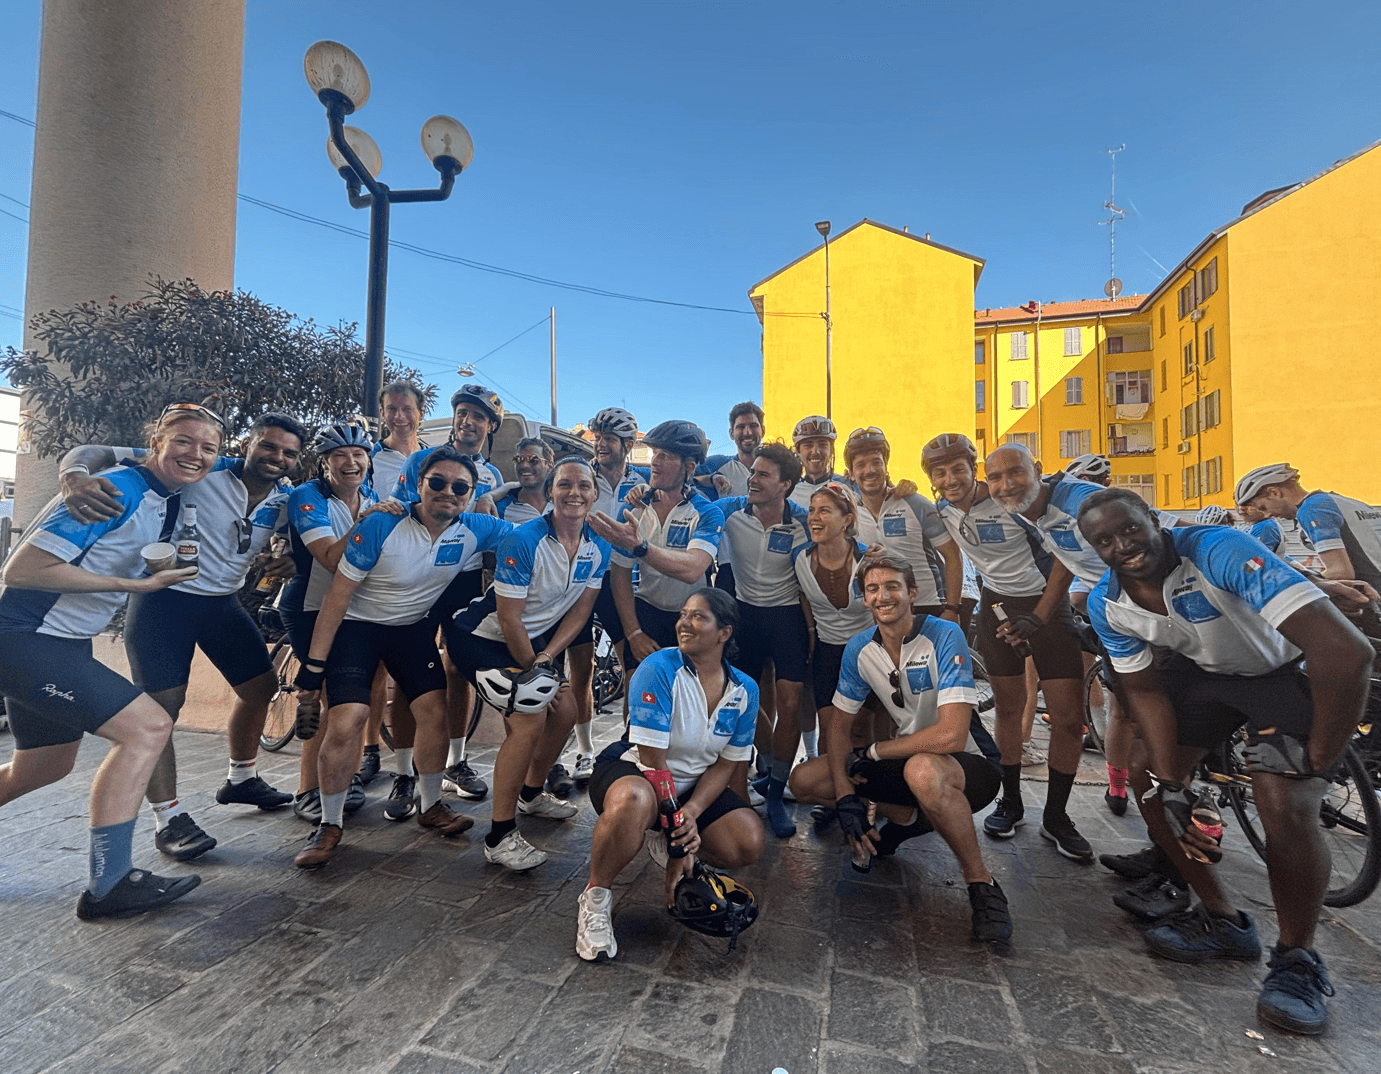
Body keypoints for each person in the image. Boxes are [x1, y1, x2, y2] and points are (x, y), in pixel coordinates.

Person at [1077, 488, 1372, 1035]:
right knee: (1145, 779)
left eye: (1131, 529)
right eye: (1105, 541)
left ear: (1155, 522)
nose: (1122, 545)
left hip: (1277, 673)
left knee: (1283, 800)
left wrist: (1320, 757)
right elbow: (1145, 695)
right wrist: (1170, 781)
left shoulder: (1219, 550)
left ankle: (1296, 959)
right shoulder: (1106, 602)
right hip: (1202, 674)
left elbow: (1347, 652)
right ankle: (1224, 922)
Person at [0, 402, 222, 917]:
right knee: (148, 727)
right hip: (28, 638)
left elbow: (93, 452)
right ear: (157, 441)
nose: (196, 455)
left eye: (208, 447)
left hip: (63, 641)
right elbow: (23, 570)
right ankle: (110, 883)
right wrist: (133, 585)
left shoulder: (164, 489)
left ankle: (112, 879)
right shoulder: (117, 489)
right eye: (184, 441)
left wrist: (75, 463)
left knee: (42, 768)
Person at [58, 413, 304, 861]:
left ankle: (242, 778)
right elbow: (90, 454)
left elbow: (294, 548)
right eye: (268, 446)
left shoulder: (285, 502)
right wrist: (74, 476)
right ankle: (167, 819)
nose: (277, 457)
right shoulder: (200, 468)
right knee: (159, 714)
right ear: (248, 444)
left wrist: (290, 561)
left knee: (262, 687)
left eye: (288, 452)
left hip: (222, 605)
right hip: (164, 603)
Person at [291, 446, 512, 868]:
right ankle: (329, 823)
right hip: (358, 627)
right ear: (419, 484)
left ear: (470, 494)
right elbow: (337, 597)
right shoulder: (382, 523)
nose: (449, 492)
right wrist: (314, 666)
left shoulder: (476, 527)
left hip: (410, 629)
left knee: (434, 710)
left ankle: (430, 807)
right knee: (348, 719)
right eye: (438, 482)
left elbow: (537, 534)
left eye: (460, 486)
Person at [788, 552, 1011, 953]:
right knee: (805, 779)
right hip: (907, 760)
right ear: (865, 599)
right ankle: (905, 816)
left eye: (892, 586)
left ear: (913, 592)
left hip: (969, 766)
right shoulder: (860, 648)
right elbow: (838, 728)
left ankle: (983, 885)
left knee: (924, 770)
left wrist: (873, 751)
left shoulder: (943, 633)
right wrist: (845, 799)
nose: (882, 595)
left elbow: (951, 737)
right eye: (872, 589)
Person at [922, 433, 1092, 861]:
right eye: (940, 473)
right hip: (997, 606)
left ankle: (1056, 815)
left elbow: (1062, 560)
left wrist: (1040, 615)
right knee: (1009, 709)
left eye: (959, 468)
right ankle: (1011, 801)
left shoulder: (1009, 502)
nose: (951, 478)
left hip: (1046, 607)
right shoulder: (942, 509)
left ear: (973, 468)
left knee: (1069, 719)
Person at [577, 588, 763, 961]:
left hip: (691, 783)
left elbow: (726, 764)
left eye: (698, 617)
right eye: (683, 614)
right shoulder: (659, 668)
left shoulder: (745, 689)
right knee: (634, 801)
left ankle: (662, 833)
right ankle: (595, 898)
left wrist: (690, 815)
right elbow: (653, 759)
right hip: (638, 771)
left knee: (748, 840)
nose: (684, 623)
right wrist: (680, 841)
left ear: (724, 633)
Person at [447, 457, 612, 871]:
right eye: (565, 484)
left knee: (568, 706)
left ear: (595, 494)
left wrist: (545, 660)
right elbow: (508, 618)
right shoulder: (525, 539)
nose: (575, 492)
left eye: (584, 486)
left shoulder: (599, 543)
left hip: (532, 643)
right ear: (551, 492)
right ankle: (500, 836)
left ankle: (531, 793)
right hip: (479, 637)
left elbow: (579, 613)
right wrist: (534, 669)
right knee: (529, 717)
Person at [389, 385, 507, 804]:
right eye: (462, 413)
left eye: (477, 416)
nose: (467, 422)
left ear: (490, 426)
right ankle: (403, 772)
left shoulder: (489, 475)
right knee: (410, 672)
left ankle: (456, 761)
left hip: (464, 578)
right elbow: (402, 512)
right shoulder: (421, 460)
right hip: (422, 576)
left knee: (458, 669)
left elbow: (492, 535)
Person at [280, 423, 379, 823]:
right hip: (309, 607)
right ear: (324, 464)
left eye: (358, 454)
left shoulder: (369, 496)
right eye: (339, 456)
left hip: (353, 610)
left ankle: (348, 776)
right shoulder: (309, 496)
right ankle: (307, 789)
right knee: (321, 696)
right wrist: (368, 521)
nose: (350, 462)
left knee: (352, 698)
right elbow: (332, 559)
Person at [714, 442, 811, 838]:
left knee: (789, 704)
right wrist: (645, 493)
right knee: (744, 705)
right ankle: (768, 765)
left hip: (787, 618)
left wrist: (815, 632)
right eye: (752, 472)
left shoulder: (803, 520)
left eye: (763, 475)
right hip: (745, 616)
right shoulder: (730, 511)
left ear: (785, 485)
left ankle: (775, 793)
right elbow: (687, 500)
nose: (753, 479)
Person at [588, 420, 724, 672]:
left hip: (692, 616)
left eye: (667, 456)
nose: (655, 462)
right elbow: (620, 574)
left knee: (691, 697)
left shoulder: (707, 512)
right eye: (655, 454)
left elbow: (693, 569)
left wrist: (641, 547)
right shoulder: (634, 508)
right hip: (647, 611)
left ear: (689, 467)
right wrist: (633, 633)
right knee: (637, 692)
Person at [564, 407, 650, 789]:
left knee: (632, 667)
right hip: (581, 582)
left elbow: (685, 486)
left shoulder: (642, 481)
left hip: (619, 584)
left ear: (628, 446)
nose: (601, 444)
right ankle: (584, 751)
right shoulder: (583, 478)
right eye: (598, 437)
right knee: (580, 671)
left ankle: (632, 744)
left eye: (610, 439)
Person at [791, 483, 873, 801]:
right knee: (831, 735)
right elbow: (804, 599)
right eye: (812, 510)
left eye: (824, 510)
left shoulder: (868, 560)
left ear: (847, 519)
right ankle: (840, 800)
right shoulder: (801, 559)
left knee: (862, 734)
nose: (814, 517)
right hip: (827, 653)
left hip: (867, 654)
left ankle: (871, 799)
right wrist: (811, 637)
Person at [844, 426, 963, 620]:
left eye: (876, 462)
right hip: (880, 610)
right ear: (850, 472)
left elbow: (952, 555)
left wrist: (952, 608)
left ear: (886, 465)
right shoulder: (850, 514)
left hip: (927, 606)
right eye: (861, 465)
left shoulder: (915, 503)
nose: (870, 470)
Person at [1235, 463, 1381, 596]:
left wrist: (1289, 585)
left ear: (1274, 492)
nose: (1268, 515)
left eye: (1263, 507)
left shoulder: (1311, 509)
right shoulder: (1342, 501)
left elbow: (1340, 572)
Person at [696, 401, 763, 500]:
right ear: (731, 433)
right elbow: (687, 478)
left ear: (763, 431)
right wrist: (711, 479)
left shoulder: (777, 467)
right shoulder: (717, 463)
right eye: (741, 427)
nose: (747, 432)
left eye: (753, 426)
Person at [370, 380, 428, 494]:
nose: (399, 416)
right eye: (392, 409)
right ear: (382, 413)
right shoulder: (368, 459)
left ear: (421, 413)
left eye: (407, 409)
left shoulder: (434, 459)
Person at [788, 415, 846, 510]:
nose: (815, 451)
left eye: (822, 445)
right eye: (808, 445)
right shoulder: (788, 493)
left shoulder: (847, 490)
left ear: (831, 450)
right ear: (798, 452)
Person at [492, 438, 553, 525]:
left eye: (533, 460)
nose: (524, 465)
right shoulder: (501, 509)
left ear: (549, 465)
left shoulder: (561, 502)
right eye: (519, 459)